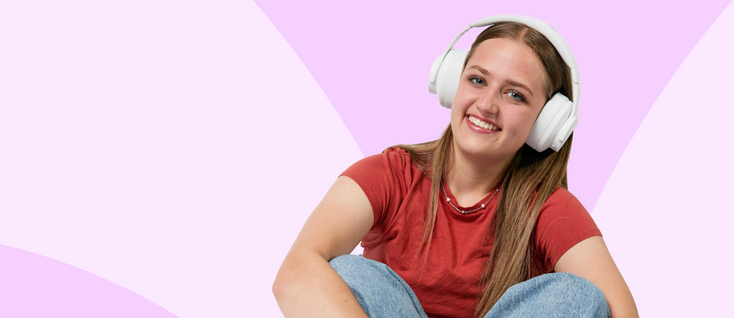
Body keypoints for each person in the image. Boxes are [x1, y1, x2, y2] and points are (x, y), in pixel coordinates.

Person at [272, 16, 638, 318]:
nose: (487, 105)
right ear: (452, 84)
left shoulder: (547, 208)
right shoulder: (388, 174)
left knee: (578, 296)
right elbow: (294, 274)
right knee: (347, 273)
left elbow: (620, 311)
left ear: (545, 123)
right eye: (477, 80)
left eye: (515, 95)